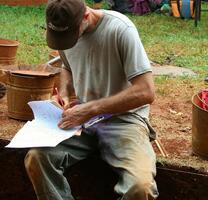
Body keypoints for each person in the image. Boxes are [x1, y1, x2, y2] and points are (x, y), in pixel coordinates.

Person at [24, 0, 159, 199]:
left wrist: (90, 109)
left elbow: (146, 92)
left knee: (140, 186)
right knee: (36, 158)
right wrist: (63, 93)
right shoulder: (66, 32)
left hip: (124, 120)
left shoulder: (121, 30)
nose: (68, 41)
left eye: (71, 36)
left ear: (86, 16)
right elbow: (67, 67)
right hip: (81, 121)